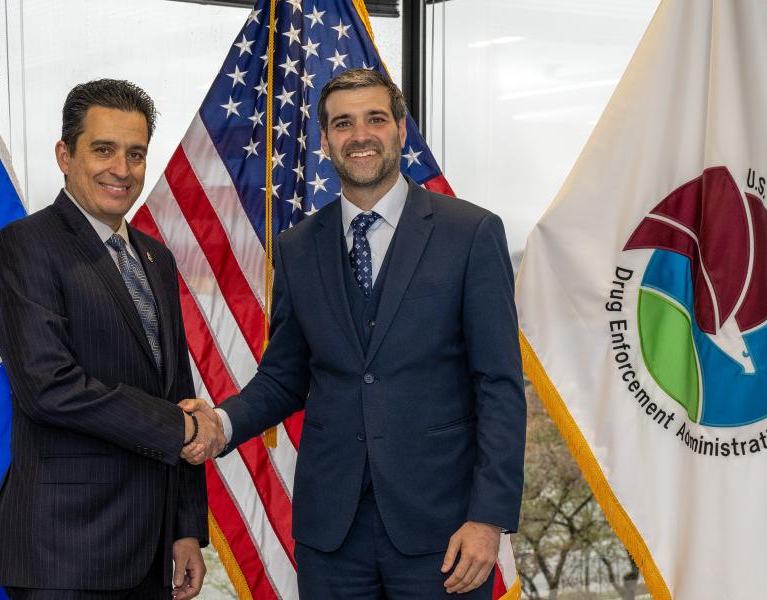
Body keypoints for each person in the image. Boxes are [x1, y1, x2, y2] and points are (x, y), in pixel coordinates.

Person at [185, 68, 526, 598]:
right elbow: (284, 378)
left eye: (375, 119)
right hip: (331, 536)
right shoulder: (297, 247)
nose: (360, 135)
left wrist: (488, 517)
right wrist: (222, 423)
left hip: (444, 531)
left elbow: (499, 385)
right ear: (325, 141)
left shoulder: (471, 233)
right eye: (343, 123)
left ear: (401, 130)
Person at [0, 79, 221, 600]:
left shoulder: (156, 258)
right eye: (104, 149)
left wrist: (185, 528)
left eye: (136, 153)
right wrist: (178, 427)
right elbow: (49, 387)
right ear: (64, 156)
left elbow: (177, 391)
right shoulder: (25, 246)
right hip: (64, 551)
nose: (122, 169)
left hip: (150, 550)